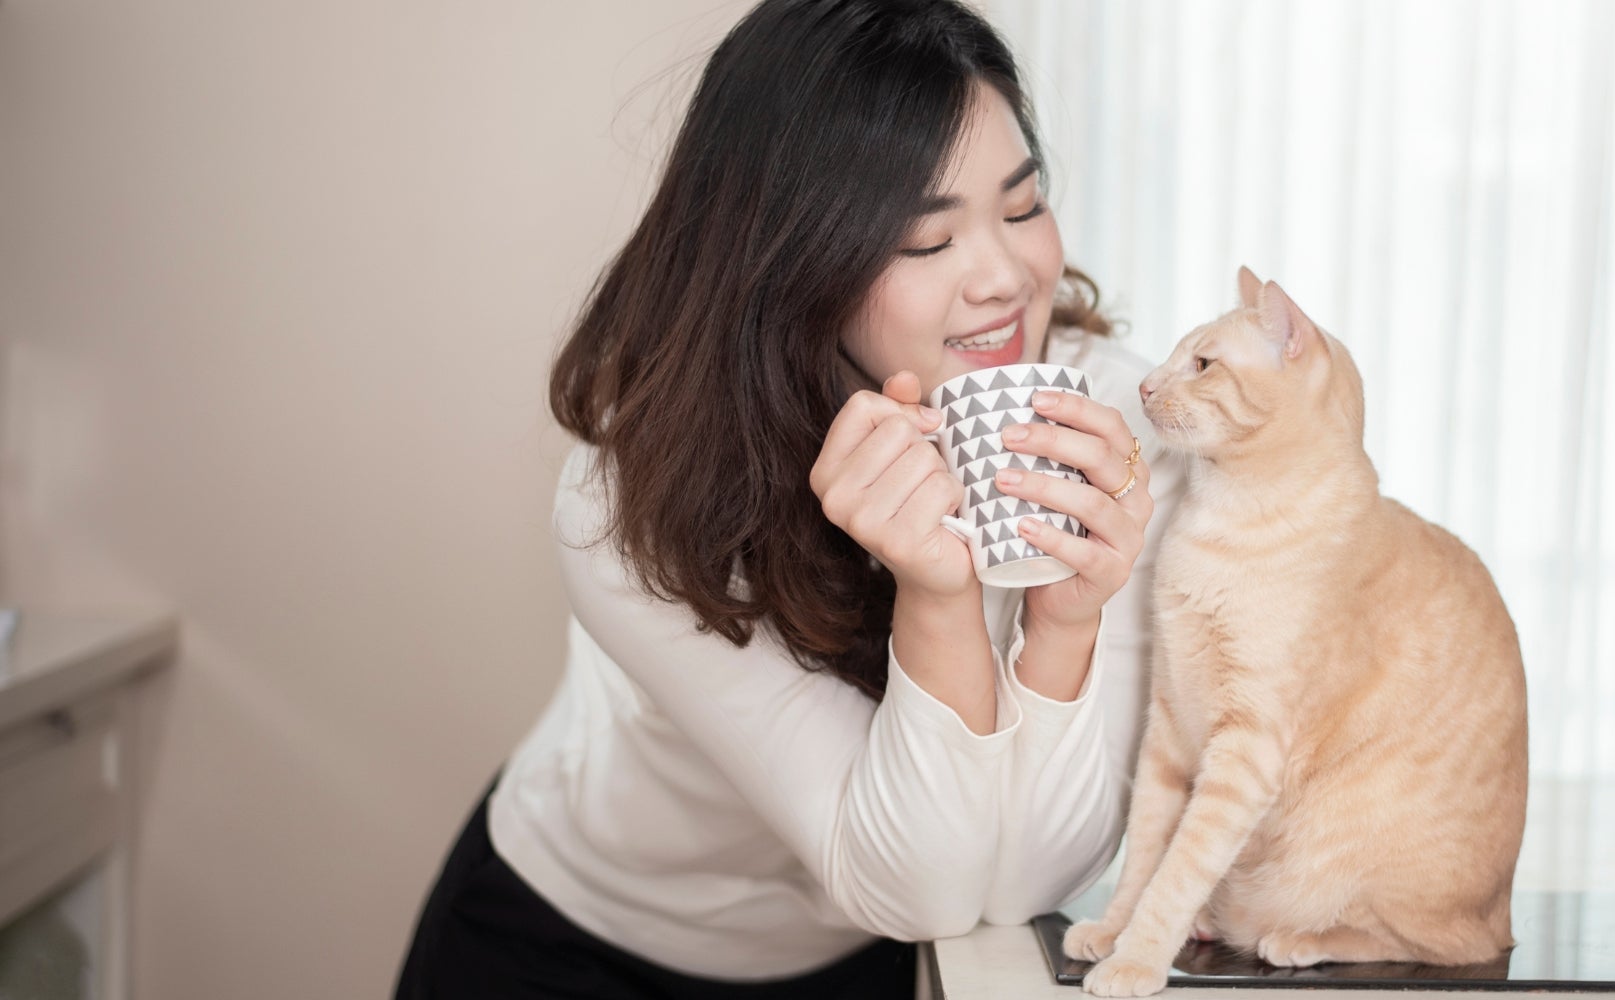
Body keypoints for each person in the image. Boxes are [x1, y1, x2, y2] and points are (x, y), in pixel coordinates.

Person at [394, 0, 1187, 996]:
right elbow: (912, 879)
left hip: (862, 948)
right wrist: (936, 599)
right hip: (571, 940)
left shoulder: (1113, 421)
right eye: (921, 239)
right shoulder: (630, 499)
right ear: (793, 264)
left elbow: (1006, 885)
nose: (1003, 276)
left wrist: (1065, 622)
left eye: (1022, 208)